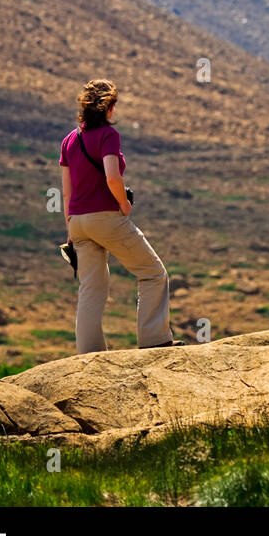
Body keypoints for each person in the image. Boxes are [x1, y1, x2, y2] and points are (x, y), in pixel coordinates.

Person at [59, 79, 174, 353]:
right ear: (108, 107)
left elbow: (66, 192)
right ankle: (154, 341)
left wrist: (70, 229)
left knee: (91, 289)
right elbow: (112, 176)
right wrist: (123, 204)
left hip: (77, 222)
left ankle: (88, 356)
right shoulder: (108, 136)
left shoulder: (69, 140)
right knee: (152, 273)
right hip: (105, 217)